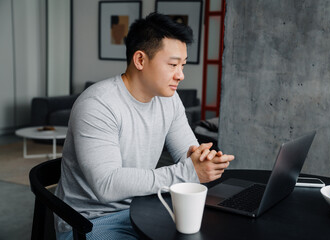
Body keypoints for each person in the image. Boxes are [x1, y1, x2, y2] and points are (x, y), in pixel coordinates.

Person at [55, 12, 234, 240]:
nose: (181, 75)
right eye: (172, 65)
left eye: (183, 65)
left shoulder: (169, 99)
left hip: (145, 207)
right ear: (140, 60)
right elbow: (106, 184)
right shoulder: (97, 105)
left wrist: (202, 159)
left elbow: (187, 157)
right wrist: (190, 171)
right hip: (91, 221)